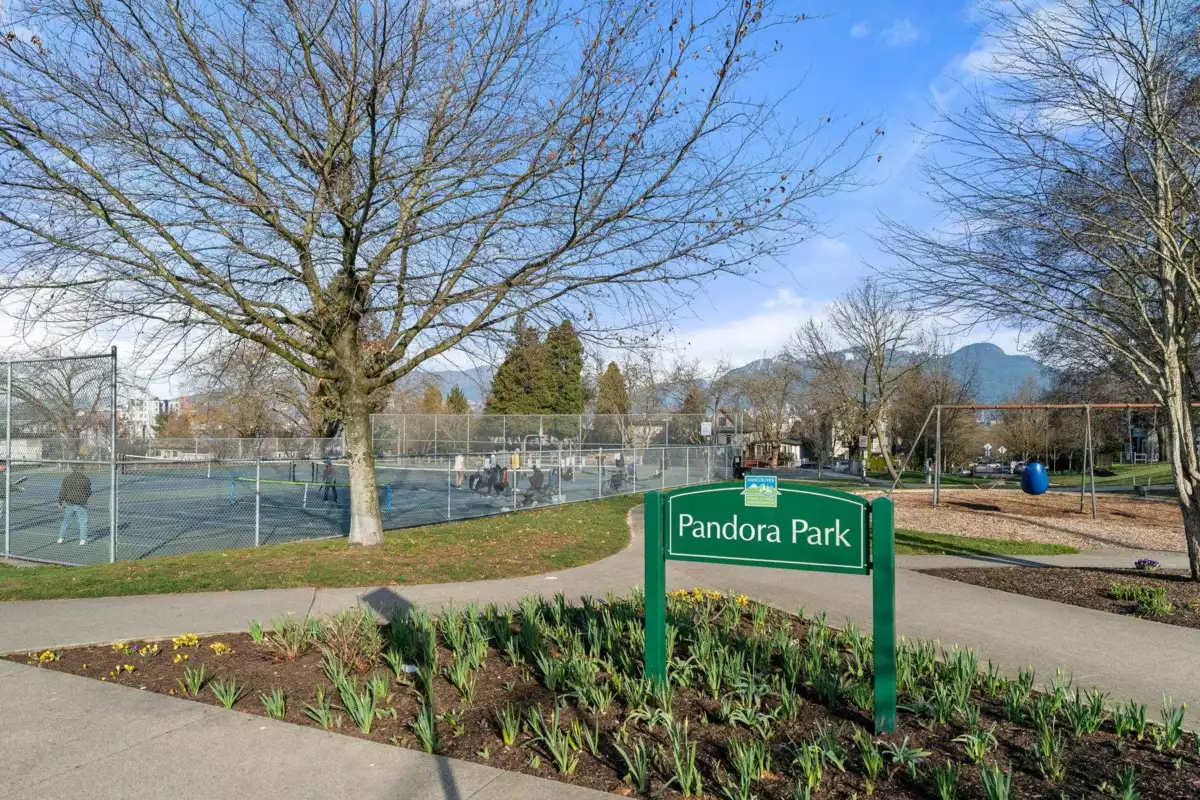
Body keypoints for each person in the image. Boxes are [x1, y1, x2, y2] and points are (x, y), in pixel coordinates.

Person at [57, 463, 91, 545]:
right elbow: (88, 492)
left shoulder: (67, 479)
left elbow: (63, 492)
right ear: (81, 469)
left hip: (70, 503)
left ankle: (61, 538)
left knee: (66, 522)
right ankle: (83, 540)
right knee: (83, 522)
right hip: (80, 504)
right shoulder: (86, 479)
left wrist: (60, 502)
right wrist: (84, 497)